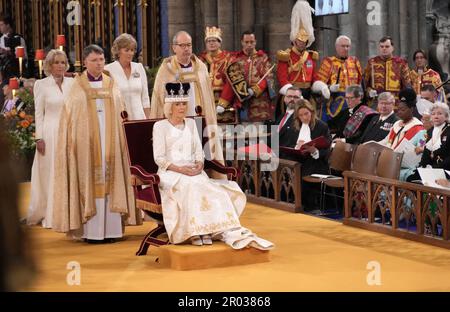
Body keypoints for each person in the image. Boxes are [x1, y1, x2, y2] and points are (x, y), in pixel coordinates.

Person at [153, 82, 273, 250]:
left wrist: (200, 165)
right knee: (190, 186)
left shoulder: (191, 124)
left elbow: (198, 151)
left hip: (194, 171)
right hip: (171, 173)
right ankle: (195, 232)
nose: (182, 107)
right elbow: (159, 158)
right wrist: (181, 169)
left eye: (184, 104)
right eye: (178, 104)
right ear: (170, 106)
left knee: (209, 188)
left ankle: (208, 230)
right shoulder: (160, 127)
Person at [52, 44, 140, 243]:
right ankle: (91, 233)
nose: (99, 64)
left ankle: (112, 231)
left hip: (111, 142)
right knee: (91, 182)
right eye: (94, 60)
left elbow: (121, 111)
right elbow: (71, 118)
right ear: (85, 62)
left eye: (101, 60)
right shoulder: (77, 86)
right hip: (87, 145)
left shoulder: (111, 83)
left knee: (111, 181)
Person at [150, 31, 223, 167]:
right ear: (174, 48)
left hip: (200, 119)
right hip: (176, 124)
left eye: (189, 45)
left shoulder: (200, 67)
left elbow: (208, 97)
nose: (186, 49)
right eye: (182, 45)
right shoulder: (167, 69)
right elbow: (159, 99)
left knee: (204, 153)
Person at [27, 50, 74, 228]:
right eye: (56, 63)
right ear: (49, 65)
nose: (60, 66)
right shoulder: (41, 85)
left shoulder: (72, 83)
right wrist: (39, 138)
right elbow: (39, 113)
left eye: (63, 62)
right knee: (49, 172)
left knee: (67, 171)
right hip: (49, 132)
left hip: (69, 132)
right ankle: (50, 212)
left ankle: (68, 211)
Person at [284, 99, 331, 210]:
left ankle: (306, 205)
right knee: (287, 167)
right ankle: (290, 202)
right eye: (301, 115)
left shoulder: (321, 126)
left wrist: (314, 151)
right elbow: (289, 146)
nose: (304, 117)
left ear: (312, 112)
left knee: (304, 172)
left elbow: (327, 149)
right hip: (298, 161)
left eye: (306, 114)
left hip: (317, 163)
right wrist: (296, 147)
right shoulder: (295, 127)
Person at [219, 30, 275, 122]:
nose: (249, 44)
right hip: (241, 103)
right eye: (246, 42)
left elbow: (268, 78)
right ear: (242, 42)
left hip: (259, 102)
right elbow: (230, 82)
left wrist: (254, 90)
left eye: (252, 42)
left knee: (260, 134)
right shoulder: (235, 59)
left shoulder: (263, 58)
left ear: (255, 42)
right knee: (243, 132)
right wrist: (223, 103)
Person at [380, 88, 427, 181]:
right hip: (389, 162)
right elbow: (387, 141)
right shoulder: (397, 124)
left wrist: (419, 149)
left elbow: (421, 148)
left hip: (405, 168)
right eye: (398, 109)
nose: (399, 112)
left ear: (411, 109)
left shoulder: (420, 129)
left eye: (403, 109)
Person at [312, 35, 363, 122]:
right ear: (336, 47)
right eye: (343, 46)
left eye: (347, 46)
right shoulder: (329, 62)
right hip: (334, 104)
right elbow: (318, 85)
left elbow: (360, 83)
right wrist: (329, 88)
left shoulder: (354, 62)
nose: (345, 48)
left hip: (353, 102)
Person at [276, 0, 318, 102]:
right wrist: (294, 95)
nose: (302, 43)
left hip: (307, 94)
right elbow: (282, 79)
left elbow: (314, 77)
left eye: (304, 41)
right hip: (291, 95)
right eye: (300, 41)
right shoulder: (285, 56)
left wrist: (320, 86)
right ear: (294, 40)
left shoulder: (310, 56)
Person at [105, 33, 150, 120]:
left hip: (139, 118)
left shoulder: (139, 67)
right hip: (119, 119)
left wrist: (148, 120)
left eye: (132, 50)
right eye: (127, 50)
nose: (130, 53)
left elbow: (145, 98)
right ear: (118, 51)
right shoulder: (108, 70)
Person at [407, 102, 450, 182]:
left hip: (445, 169)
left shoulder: (448, 130)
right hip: (431, 169)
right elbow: (426, 152)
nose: (436, 116)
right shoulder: (430, 131)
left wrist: (434, 168)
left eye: (439, 113)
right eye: (433, 114)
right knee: (411, 179)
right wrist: (422, 167)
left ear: (446, 116)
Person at [198, 26, 233, 123]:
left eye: (214, 40)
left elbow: (231, 83)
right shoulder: (201, 60)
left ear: (219, 43)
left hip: (224, 101)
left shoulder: (228, 59)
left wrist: (223, 103)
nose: (211, 43)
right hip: (206, 101)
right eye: (209, 41)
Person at [364, 36, 411, 108]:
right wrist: (369, 91)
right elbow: (364, 84)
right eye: (382, 46)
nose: (384, 49)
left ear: (392, 48)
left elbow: (407, 85)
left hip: (395, 104)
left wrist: (405, 102)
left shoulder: (401, 63)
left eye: (387, 46)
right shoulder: (372, 62)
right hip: (376, 103)